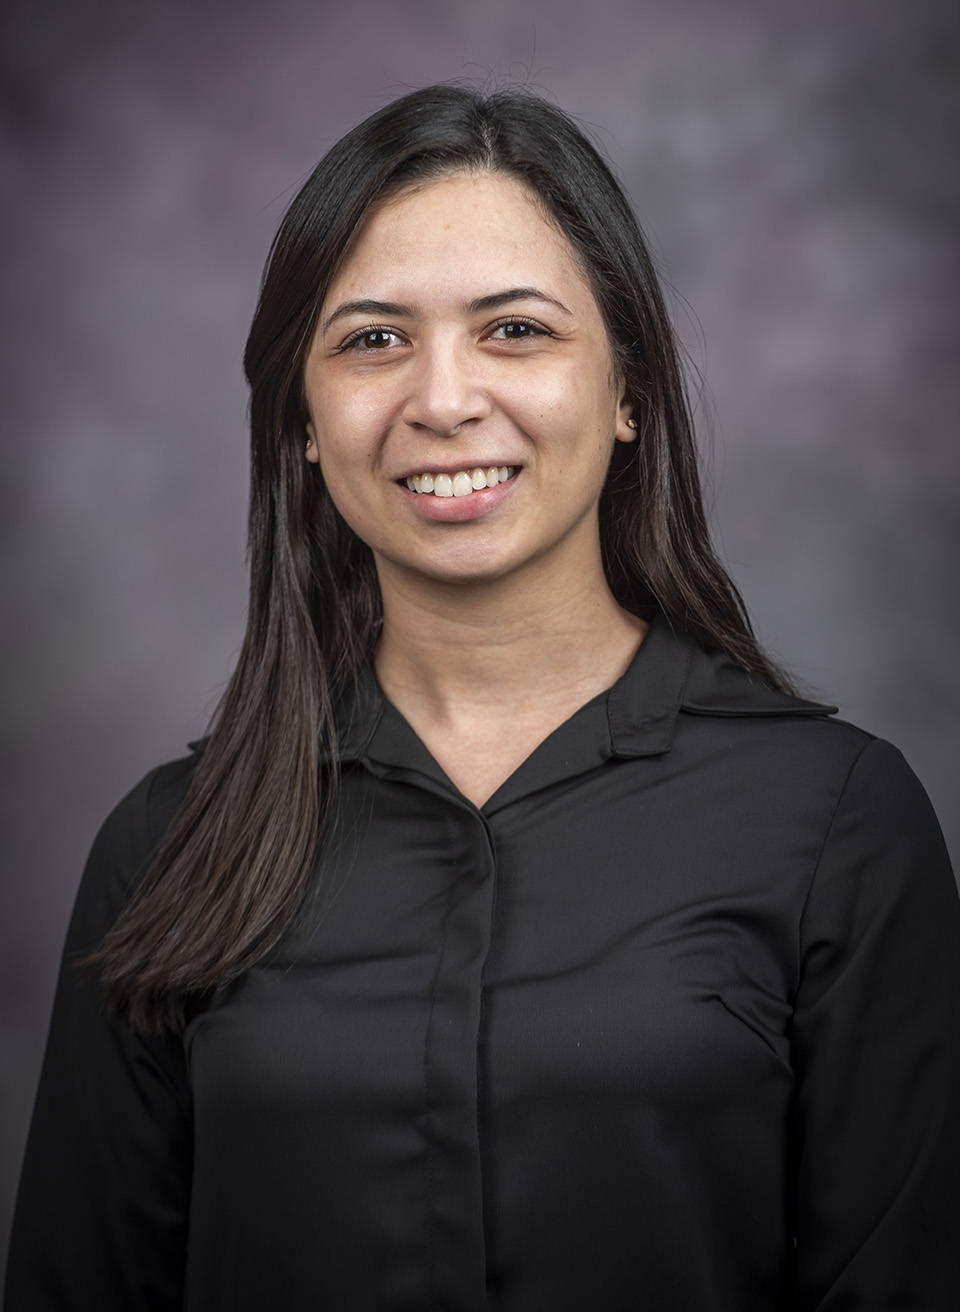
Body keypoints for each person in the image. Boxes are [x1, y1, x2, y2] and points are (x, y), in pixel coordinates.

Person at [5, 84, 959, 1312]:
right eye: (373, 339)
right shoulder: (168, 845)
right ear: (302, 417)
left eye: (515, 330)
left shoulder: (837, 823)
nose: (443, 399)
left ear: (629, 393)